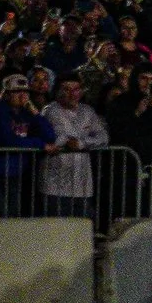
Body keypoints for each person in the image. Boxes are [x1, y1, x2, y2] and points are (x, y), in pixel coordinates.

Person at [40, 77, 110, 218]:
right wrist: (84, 140)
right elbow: (63, 138)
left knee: (82, 231)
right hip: (55, 185)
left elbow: (103, 137)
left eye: (76, 89)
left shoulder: (87, 111)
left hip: (82, 185)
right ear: (57, 91)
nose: (72, 93)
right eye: (67, 89)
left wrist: (81, 143)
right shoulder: (51, 110)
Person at [0, 74, 55, 216]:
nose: (22, 96)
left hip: (20, 171)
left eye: (25, 92)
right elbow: (7, 140)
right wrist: (40, 145)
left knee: (16, 215)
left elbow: (50, 136)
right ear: (7, 94)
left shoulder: (27, 112)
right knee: (2, 215)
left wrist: (36, 113)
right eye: (17, 92)